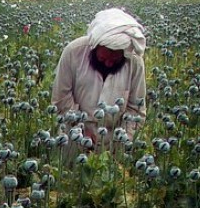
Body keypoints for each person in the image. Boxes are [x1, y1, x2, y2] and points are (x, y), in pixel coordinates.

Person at [51, 8, 147, 146]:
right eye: (103, 58)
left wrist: (121, 142)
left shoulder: (134, 63)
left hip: (114, 140)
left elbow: (136, 109)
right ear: (94, 47)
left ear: (124, 53)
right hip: (72, 135)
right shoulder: (73, 52)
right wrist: (80, 129)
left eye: (115, 60)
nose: (108, 63)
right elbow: (61, 98)